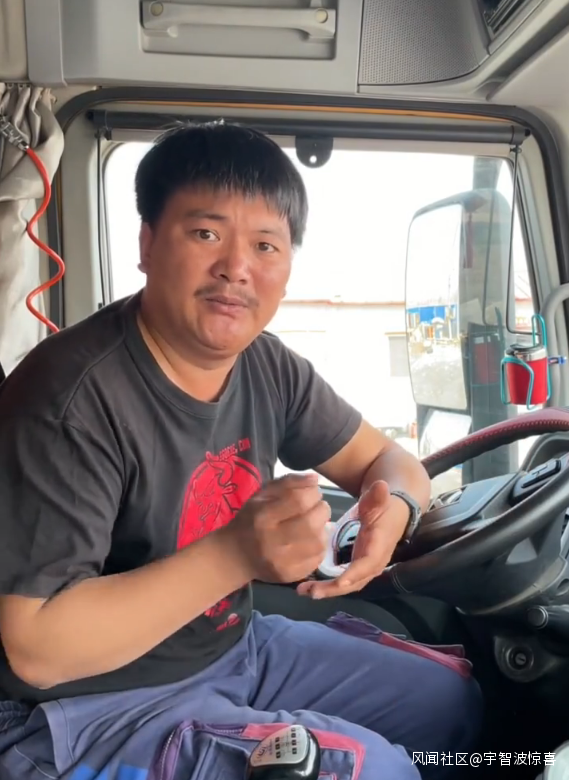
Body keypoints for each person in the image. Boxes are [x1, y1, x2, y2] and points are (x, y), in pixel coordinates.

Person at [0, 121, 481, 780]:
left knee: (448, 703)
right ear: (147, 244)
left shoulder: (265, 365)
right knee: (378, 772)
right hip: (82, 709)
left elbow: (390, 464)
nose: (236, 267)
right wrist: (235, 553)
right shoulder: (69, 399)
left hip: (229, 650)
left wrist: (392, 509)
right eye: (206, 234)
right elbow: (38, 649)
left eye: (265, 245)